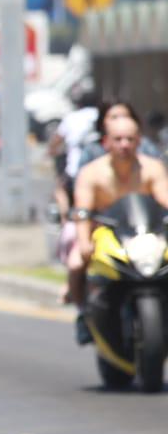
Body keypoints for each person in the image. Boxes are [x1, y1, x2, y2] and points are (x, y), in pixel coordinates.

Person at [68, 108, 168, 321]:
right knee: (75, 264)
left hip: (146, 235)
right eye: (118, 139)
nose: (124, 144)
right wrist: (84, 242)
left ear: (139, 141)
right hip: (105, 235)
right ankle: (83, 315)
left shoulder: (152, 168)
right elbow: (82, 212)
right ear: (106, 142)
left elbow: (164, 198)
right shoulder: (91, 173)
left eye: (130, 139)